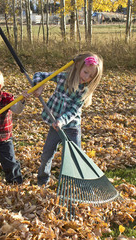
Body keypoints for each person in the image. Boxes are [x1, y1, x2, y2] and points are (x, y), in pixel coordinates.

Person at [32, 52, 104, 186]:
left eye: (91, 76)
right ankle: (42, 181)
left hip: (71, 128)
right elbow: (39, 75)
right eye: (85, 72)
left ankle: (72, 184)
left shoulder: (84, 90)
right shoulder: (62, 77)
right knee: (46, 155)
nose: (87, 77)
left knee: (73, 158)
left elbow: (73, 111)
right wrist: (39, 85)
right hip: (55, 126)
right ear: (77, 66)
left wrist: (62, 121)